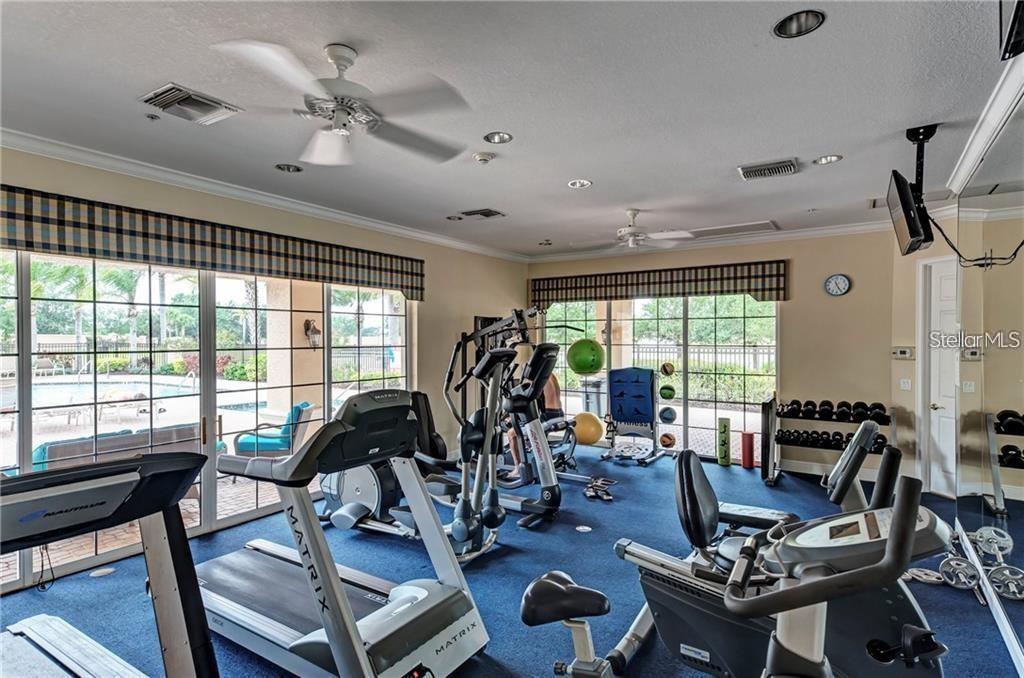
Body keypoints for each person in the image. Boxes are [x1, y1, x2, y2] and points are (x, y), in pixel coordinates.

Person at [504, 373, 564, 479]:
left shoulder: (537, 377)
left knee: (512, 433)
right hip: (559, 414)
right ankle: (544, 460)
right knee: (536, 427)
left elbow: (525, 397)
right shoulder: (550, 375)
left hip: (549, 416)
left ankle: (518, 469)